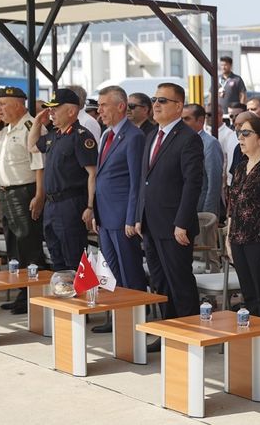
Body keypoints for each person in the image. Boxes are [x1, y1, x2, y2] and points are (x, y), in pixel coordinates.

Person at [135, 83, 204, 339]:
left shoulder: (188, 138)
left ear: (178, 106)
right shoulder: (152, 135)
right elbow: (144, 180)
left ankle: (189, 335)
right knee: (160, 281)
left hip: (174, 225)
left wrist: (182, 222)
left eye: (162, 100)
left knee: (179, 282)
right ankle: (168, 333)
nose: (156, 104)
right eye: (155, 99)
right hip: (151, 222)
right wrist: (138, 216)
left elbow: (192, 184)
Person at [0, 87, 46, 313]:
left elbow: (39, 165)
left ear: (18, 105)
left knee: (29, 246)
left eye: (3, 104)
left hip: (24, 192)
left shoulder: (31, 127)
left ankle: (31, 296)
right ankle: (21, 292)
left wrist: (39, 195)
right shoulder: (6, 130)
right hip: (6, 194)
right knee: (14, 247)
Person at [227, 114, 260, 368]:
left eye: (246, 133)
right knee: (248, 296)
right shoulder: (239, 168)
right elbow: (232, 205)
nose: (241, 138)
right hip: (238, 237)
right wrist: (228, 236)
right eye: (239, 133)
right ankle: (253, 344)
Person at [28, 88, 98, 271]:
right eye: (50, 109)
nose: (51, 113)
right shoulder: (55, 135)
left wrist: (90, 207)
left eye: (55, 109)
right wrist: (37, 122)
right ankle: (63, 288)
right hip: (51, 204)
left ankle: (79, 290)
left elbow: (93, 173)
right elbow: (32, 146)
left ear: (71, 111)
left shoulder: (81, 136)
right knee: (56, 256)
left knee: (74, 258)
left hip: (71, 203)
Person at [93, 86, 147, 291]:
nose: (100, 110)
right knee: (111, 276)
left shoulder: (134, 136)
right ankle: (118, 311)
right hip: (104, 217)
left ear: (121, 106)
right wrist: (96, 212)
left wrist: (131, 218)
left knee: (129, 273)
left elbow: (136, 181)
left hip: (122, 218)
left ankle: (136, 310)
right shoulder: (106, 134)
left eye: (104, 105)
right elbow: (101, 176)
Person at [182, 104, 223, 216]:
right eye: (181, 119)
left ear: (200, 120)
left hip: (200, 210)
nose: (182, 122)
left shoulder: (210, 144)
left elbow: (214, 182)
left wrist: (209, 213)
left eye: (186, 119)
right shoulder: (181, 141)